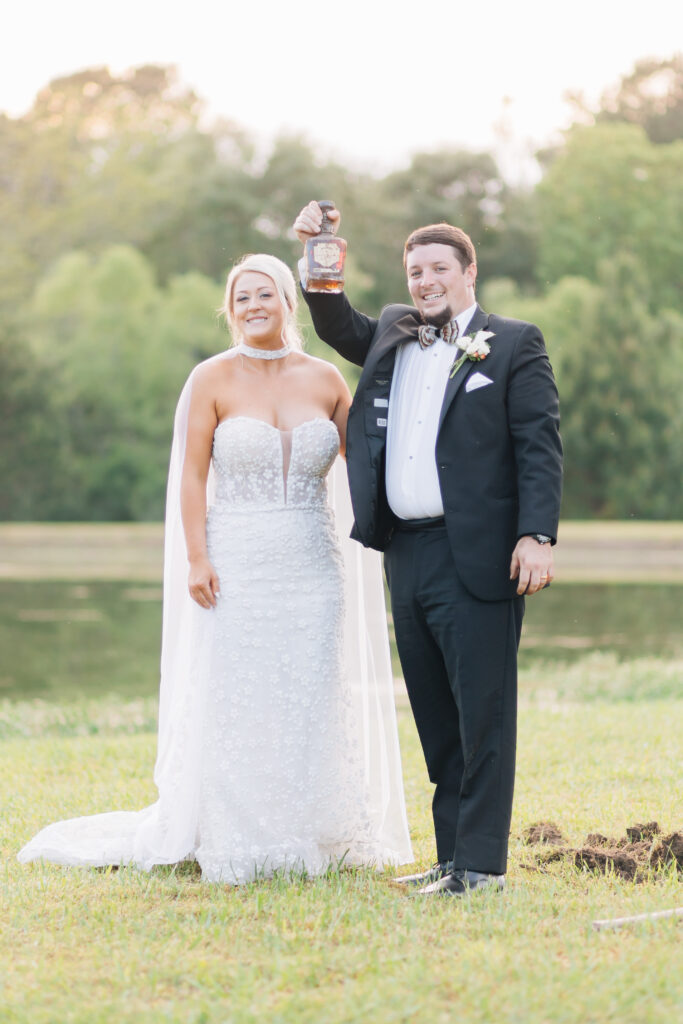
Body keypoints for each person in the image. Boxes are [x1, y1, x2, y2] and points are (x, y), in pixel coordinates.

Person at [18, 253, 412, 883]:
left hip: (313, 563)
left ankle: (316, 829)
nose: (254, 305)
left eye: (266, 294)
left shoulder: (327, 380)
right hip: (237, 560)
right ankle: (236, 832)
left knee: (309, 693)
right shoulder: (211, 379)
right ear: (231, 311)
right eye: (242, 298)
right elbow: (194, 476)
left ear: (289, 301)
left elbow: (366, 456)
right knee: (241, 693)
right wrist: (198, 556)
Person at [293, 203, 563, 896]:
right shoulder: (392, 331)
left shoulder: (511, 343)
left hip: (479, 555)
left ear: (469, 273)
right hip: (404, 553)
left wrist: (536, 535)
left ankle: (481, 868)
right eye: (414, 270)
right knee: (436, 715)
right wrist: (319, 249)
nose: (424, 281)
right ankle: (450, 859)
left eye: (438, 268)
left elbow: (538, 446)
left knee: (483, 715)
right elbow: (334, 324)